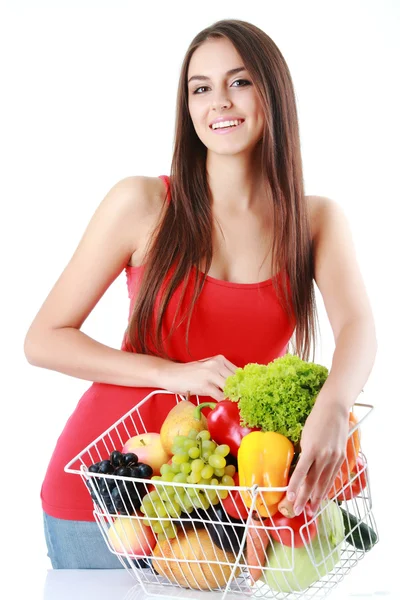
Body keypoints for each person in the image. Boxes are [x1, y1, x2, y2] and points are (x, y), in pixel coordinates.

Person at [24, 18, 377, 570]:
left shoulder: (315, 221)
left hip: (224, 507)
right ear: (187, 109)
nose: (219, 102)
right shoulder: (142, 204)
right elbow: (43, 339)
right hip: (105, 498)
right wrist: (171, 372)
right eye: (200, 87)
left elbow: (358, 326)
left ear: (273, 93)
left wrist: (332, 407)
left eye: (239, 82)